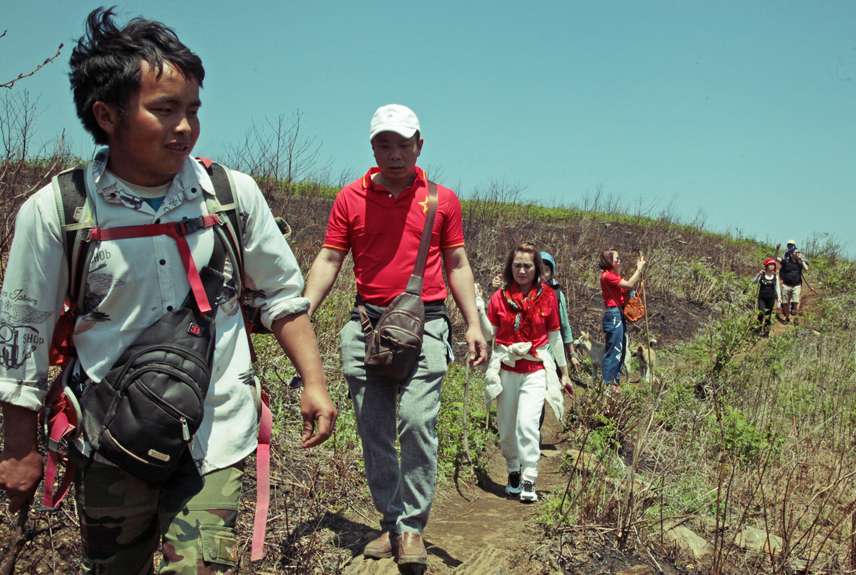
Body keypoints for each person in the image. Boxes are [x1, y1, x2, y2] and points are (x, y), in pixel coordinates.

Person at [0, 9, 337, 573]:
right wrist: (18, 447)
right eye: (165, 110)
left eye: (192, 110)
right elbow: (22, 334)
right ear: (106, 115)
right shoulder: (60, 211)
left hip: (219, 430)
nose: (185, 126)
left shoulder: (229, 195)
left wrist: (315, 382)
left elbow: (280, 295)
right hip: (108, 437)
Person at [303, 104, 488, 567]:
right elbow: (329, 260)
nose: (395, 154)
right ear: (373, 148)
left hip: (425, 324)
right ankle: (393, 522)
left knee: (418, 420)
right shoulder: (350, 198)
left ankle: (411, 528)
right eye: (385, 144)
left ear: (419, 146)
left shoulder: (442, 200)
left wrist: (472, 323)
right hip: (366, 324)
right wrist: (301, 313)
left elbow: (458, 264)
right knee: (375, 429)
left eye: (404, 144)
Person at [477, 243, 573, 503]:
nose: (522, 270)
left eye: (528, 266)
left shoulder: (548, 297)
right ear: (510, 267)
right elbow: (490, 334)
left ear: (537, 269)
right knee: (507, 428)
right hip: (507, 369)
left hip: (535, 370)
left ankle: (530, 475)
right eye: (517, 265)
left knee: (527, 424)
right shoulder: (500, 297)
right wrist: (478, 307)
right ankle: (513, 473)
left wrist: (564, 372)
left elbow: (554, 338)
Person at [597, 248, 646, 392]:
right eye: (616, 258)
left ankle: (615, 383)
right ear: (607, 260)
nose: (619, 260)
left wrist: (638, 269)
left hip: (618, 314)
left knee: (621, 349)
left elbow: (632, 285)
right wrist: (639, 269)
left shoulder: (614, 275)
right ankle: (608, 384)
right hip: (614, 315)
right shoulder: (607, 276)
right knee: (614, 350)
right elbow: (630, 284)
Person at [775, 240, 809, 324]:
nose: (798, 254)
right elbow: (775, 258)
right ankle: (787, 318)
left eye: (798, 252)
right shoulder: (786, 261)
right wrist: (777, 249)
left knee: (796, 301)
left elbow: (806, 268)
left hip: (796, 285)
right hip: (786, 284)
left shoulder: (800, 262)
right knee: (786, 303)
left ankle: (796, 317)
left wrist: (801, 259)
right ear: (791, 254)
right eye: (796, 253)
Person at [752, 258, 781, 338]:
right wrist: (758, 275)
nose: (771, 266)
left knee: (768, 316)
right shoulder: (762, 275)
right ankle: (758, 329)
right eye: (770, 265)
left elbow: (778, 287)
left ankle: (766, 333)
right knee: (761, 313)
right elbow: (754, 282)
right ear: (767, 266)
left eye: (773, 265)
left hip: (771, 298)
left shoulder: (775, 276)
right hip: (762, 297)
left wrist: (779, 297)